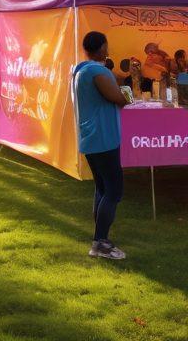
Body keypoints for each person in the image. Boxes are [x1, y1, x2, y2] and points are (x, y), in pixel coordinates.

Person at [73, 31, 128, 260]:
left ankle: (100, 239)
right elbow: (118, 98)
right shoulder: (97, 72)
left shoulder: (81, 70)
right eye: (106, 45)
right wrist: (124, 95)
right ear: (102, 48)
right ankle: (100, 242)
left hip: (91, 137)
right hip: (103, 137)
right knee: (114, 190)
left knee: (103, 188)